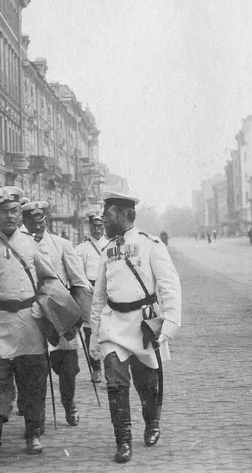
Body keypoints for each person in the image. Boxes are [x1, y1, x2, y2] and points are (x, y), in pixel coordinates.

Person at [0, 186, 58, 462]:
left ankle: (32, 432)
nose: (9, 216)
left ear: (20, 213)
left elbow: (50, 282)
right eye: (3, 211)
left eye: (14, 211)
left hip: (29, 323)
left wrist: (51, 311)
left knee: (32, 381)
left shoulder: (32, 246)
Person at [90, 192, 182, 464]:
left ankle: (152, 422)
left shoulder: (151, 244)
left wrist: (170, 324)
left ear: (124, 215)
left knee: (147, 384)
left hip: (143, 324)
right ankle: (124, 442)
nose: (103, 220)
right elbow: (99, 296)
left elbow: (169, 285)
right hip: (113, 325)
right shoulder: (106, 250)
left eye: (108, 215)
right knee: (116, 384)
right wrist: (95, 335)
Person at [24, 199, 91, 428]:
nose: (37, 227)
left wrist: (80, 315)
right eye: (32, 223)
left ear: (46, 220)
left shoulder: (61, 244)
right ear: (24, 222)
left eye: (41, 221)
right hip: (31, 313)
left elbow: (79, 282)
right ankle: (38, 413)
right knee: (36, 366)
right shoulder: (20, 246)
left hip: (60, 312)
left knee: (68, 367)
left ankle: (69, 404)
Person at [75, 213, 107, 383]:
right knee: (90, 332)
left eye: (100, 226)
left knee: (108, 329)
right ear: (89, 227)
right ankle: (96, 368)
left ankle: (110, 366)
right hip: (90, 291)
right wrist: (90, 287)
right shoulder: (81, 248)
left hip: (108, 291)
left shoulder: (110, 245)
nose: (97, 229)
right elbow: (79, 273)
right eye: (94, 226)